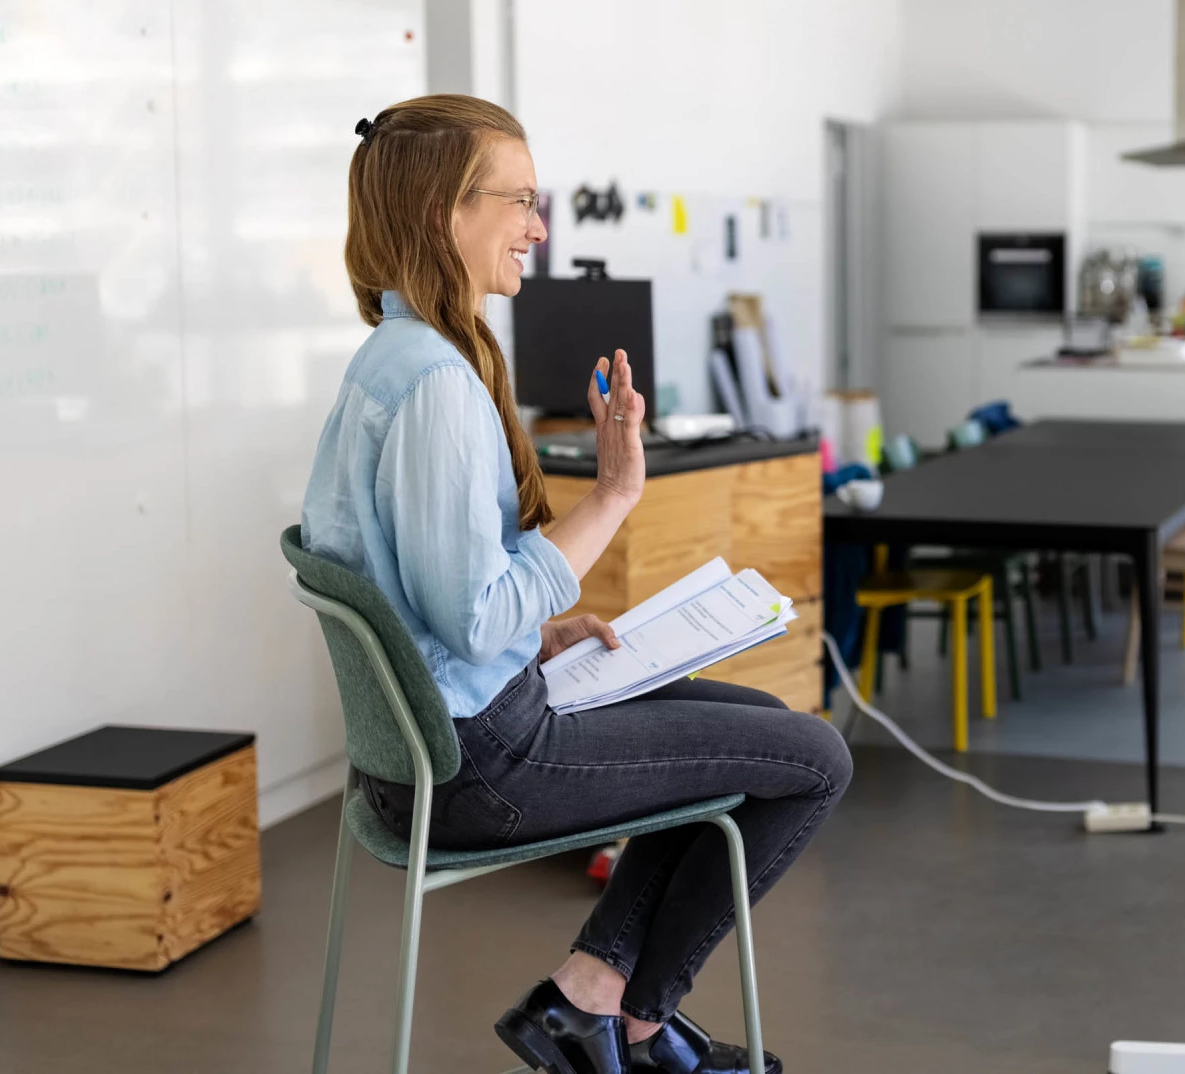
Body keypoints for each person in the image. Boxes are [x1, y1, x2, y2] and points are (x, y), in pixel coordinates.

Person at [301, 96, 847, 1074]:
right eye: (519, 202)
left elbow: (432, 605)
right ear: (443, 214)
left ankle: (594, 998)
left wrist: (536, 634)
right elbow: (471, 623)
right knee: (810, 757)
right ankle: (626, 1018)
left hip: (439, 742)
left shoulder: (398, 359)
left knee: (757, 726)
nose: (538, 228)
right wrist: (615, 494)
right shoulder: (434, 383)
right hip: (480, 763)